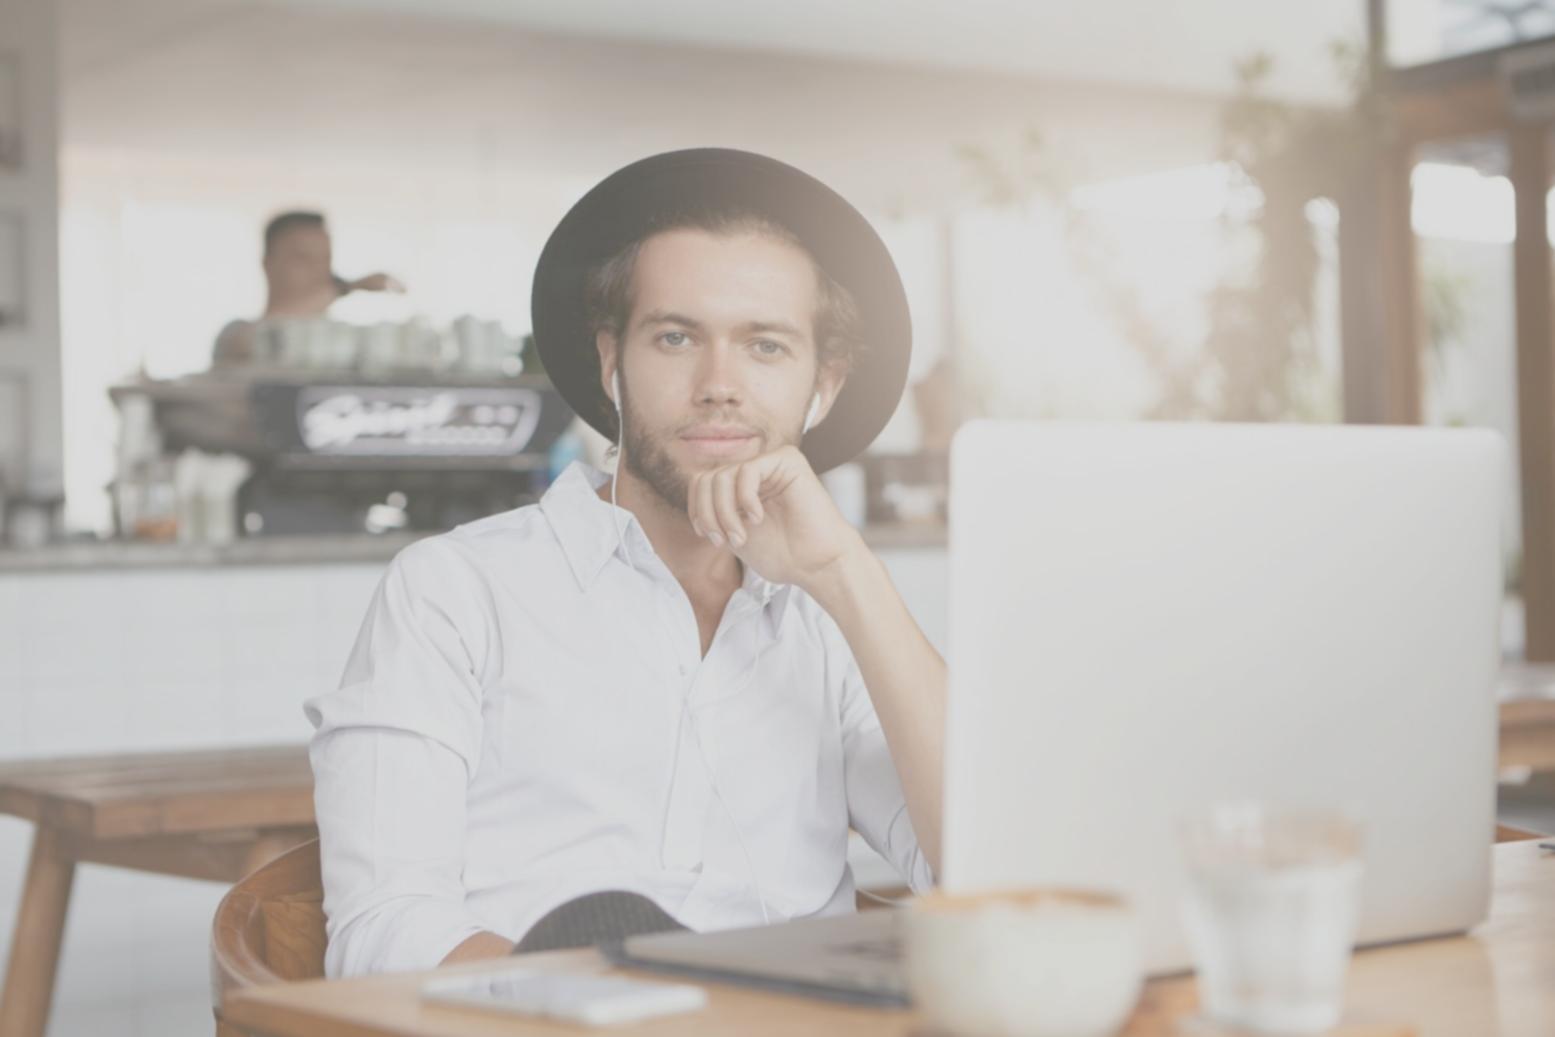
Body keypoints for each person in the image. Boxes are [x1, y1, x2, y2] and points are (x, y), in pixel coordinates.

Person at [304, 149, 946, 978]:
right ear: (612, 360)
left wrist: (846, 573)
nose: (718, 384)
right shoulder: (453, 592)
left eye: (765, 345)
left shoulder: (832, 622)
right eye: (675, 337)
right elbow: (383, 931)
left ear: (822, 385)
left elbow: (984, 871)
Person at [211, 210, 404, 369]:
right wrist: (346, 287)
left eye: (325, 259)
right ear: (268, 263)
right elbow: (256, 339)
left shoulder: (341, 342)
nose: (318, 270)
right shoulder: (236, 335)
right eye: (302, 258)